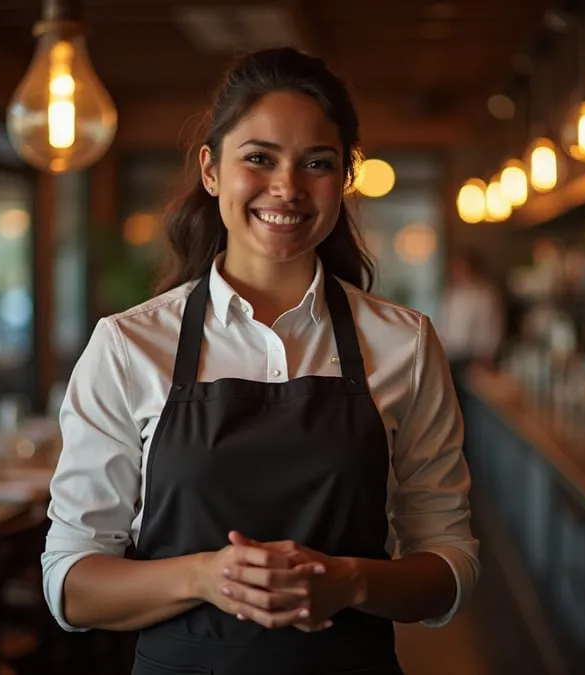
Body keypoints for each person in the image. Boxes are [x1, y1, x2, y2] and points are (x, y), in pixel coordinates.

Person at [42, 47, 479, 675]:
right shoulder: (127, 345)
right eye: (258, 158)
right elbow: (70, 582)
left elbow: (450, 564)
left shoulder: (404, 343)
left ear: (346, 176)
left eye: (317, 163)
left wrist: (352, 582)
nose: (288, 187)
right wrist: (204, 577)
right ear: (212, 171)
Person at [436, 249, 504, 383]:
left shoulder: (486, 294)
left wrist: (487, 357)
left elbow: (493, 327)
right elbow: (443, 322)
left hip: (473, 357)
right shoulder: (451, 293)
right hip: (449, 354)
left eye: (462, 267)